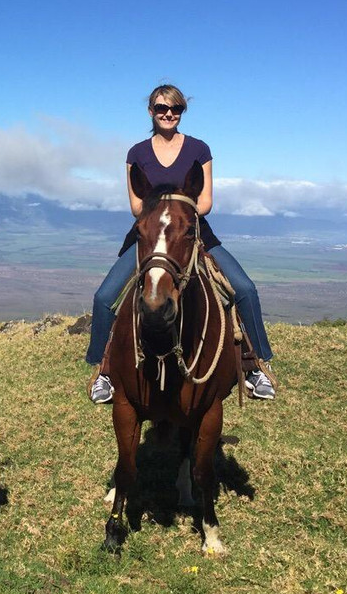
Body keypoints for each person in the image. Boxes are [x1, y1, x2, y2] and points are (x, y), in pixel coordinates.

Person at [86, 84, 278, 402]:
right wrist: (164, 211)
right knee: (104, 297)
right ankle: (103, 371)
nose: (168, 114)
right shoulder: (137, 153)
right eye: (162, 108)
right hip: (150, 236)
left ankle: (254, 366)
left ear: (181, 113)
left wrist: (180, 212)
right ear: (151, 111)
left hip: (192, 232)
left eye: (176, 109)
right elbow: (136, 207)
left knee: (244, 288)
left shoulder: (199, 149)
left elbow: (205, 202)